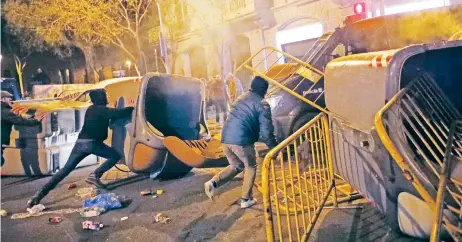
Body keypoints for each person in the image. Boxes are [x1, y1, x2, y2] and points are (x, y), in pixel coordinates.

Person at [27, 89, 134, 208]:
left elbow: (111, 114)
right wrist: (134, 107)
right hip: (92, 144)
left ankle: (39, 194)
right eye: (105, 95)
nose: (107, 96)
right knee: (115, 156)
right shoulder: (101, 110)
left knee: (65, 170)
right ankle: (95, 175)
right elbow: (121, 113)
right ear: (101, 97)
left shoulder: (92, 109)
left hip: (80, 143)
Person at [204, 76, 278, 208]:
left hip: (226, 138)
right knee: (251, 167)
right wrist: (274, 147)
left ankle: (213, 183)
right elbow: (267, 131)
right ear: (264, 90)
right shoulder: (262, 104)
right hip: (241, 140)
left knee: (236, 166)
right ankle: (246, 199)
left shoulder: (242, 97)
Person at [1, 91, 44, 167]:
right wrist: (36, 121)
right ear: (2, 99)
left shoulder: (7, 112)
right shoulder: (6, 112)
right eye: (8, 98)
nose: (11, 99)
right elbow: (20, 122)